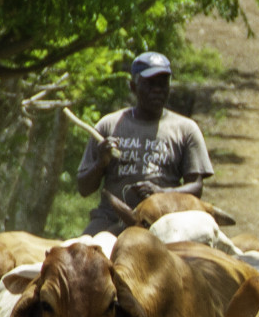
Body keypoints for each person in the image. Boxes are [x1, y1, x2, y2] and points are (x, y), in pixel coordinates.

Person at [75, 51, 213, 234]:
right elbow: (84, 188)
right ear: (133, 86)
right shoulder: (109, 125)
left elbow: (196, 187)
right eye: (150, 83)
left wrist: (162, 192)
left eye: (163, 83)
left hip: (165, 221)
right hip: (110, 219)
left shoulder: (186, 129)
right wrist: (101, 163)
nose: (157, 89)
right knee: (80, 250)